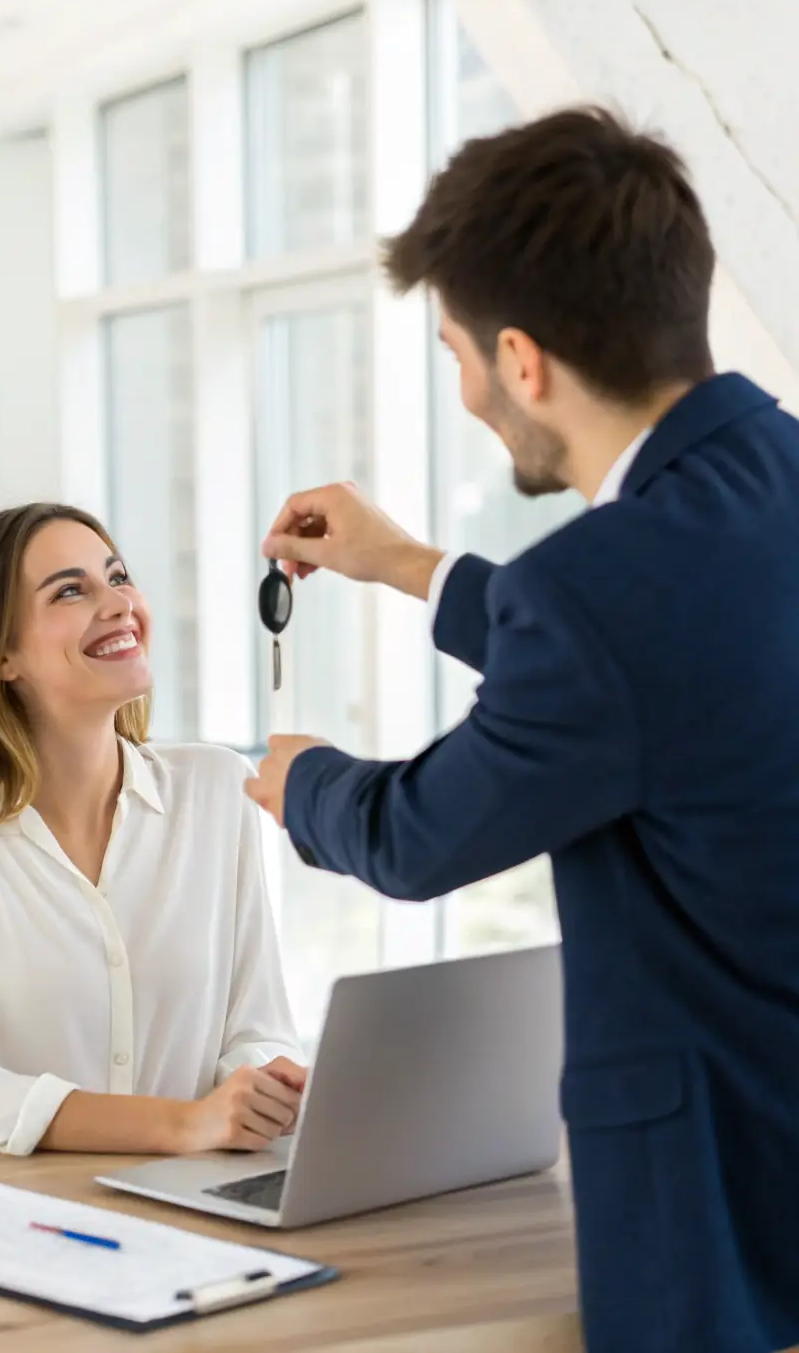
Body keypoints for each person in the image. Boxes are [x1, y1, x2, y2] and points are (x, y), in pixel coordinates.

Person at [246, 108, 799, 1353]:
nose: (468, 395)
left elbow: (418, 837)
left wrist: (301, 781)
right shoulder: (772, 479)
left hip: (716, 1199)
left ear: (520, 358)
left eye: (457, 357)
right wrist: (414, 568)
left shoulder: (599, 592)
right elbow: (681, 673)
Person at [0, 503, 305, 1157]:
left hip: (186, 1196)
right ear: (1, 653)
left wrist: (262, 1084)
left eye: (117, 576)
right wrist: (182, 1124)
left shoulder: (216, 790)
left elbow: (260, 1029)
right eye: (71, 589)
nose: (118, 602)